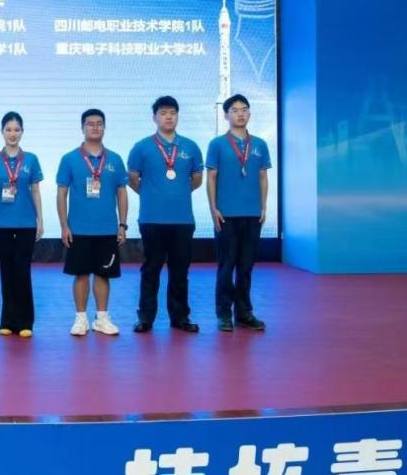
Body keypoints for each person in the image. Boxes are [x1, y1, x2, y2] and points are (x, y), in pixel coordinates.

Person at [128, 96, 204, 334]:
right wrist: (152, 193)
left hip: (183, 220)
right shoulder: (141, 147)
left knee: (180, 271)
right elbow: (133, 179)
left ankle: (180, 317)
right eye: (163, 113)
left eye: (172, 112)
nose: (168, 117)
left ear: (178, 116)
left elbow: (197, 179)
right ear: (154, 118)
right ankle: (146, 318)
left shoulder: (190, 147)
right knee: (151, 270)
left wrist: (176, 193)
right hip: (152, 219)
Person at [56, 109, 128, 336]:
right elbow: (61, 194)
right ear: (82, 128)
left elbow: (122, 193)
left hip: (107, 229)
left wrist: (122, 224)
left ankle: (102, 319)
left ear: (104, 128)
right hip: (78, 229)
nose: (95, 127)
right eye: (90, 124)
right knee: (81, 274)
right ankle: (80, 319)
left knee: (103, 274)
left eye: (99, 123)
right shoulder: (69, 159)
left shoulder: (115, 159)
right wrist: (64, 225)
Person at [206, 94, 271, 332]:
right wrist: (213, 208)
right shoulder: (217, 144)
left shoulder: (260, 144)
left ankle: (244, 313)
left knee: (246, 266)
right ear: (226, 115)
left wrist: (263, 206)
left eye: (244, 109)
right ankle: (224, 313)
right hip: (226, 215)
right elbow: (211, 178)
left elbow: (263, 176)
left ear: (249, 114)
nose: (240, 113)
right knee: (226, 266)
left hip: (252, 215)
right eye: (234, 110)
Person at [0, 112, 44, 337]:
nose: (12, 134)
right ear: (2, 132)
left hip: (26, 223)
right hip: (1, 223)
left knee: (23, 270)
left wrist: (40, 220)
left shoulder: (31, 159)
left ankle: (26, 322)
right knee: (7, 271)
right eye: (8, 129)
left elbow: (35, 190)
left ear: (22, 132)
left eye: (16, 129)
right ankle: (7, 320)